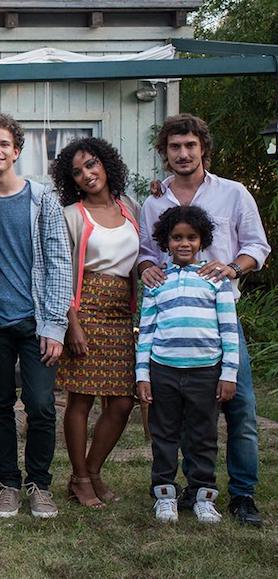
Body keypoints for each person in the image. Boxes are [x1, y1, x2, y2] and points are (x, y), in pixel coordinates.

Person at [137, 114, 270, 527]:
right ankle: (187, 489)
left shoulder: (233, 193)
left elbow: (257, 246)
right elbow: (145, 253)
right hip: (171, 321)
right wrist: (146, 268)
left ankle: (242, 494)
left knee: (241, 409)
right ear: (165, 152)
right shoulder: (154, 202)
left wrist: (232, 267)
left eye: (190, 145)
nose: (183, 153)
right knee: (185, 414)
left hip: (219, 318)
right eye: (175, 147)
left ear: (203, 148)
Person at [0, 112, 71, 519]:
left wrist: (55, 325)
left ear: (16, 150)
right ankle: (8, 484)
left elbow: (60, 262)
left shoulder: (42, 200)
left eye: (3, 144)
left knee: (41, 405)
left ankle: (39, 485)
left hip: (35, 321)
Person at [51, 137, 140, 509]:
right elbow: (61, 271)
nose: (87, 174)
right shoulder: (72, 214)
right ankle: (81, 478)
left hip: (120, 314)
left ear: (106, 164)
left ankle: (91, 471)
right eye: (77, 172)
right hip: (84, 309)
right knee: (81, 398)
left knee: (122, 401)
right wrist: (71, 324)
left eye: (91, 164)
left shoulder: (130, 207)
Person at [137, 205, 238, 524]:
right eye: (177, 237)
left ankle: (202, 495)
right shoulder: (156, 281)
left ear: (202, 240)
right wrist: (142, 375)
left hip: (206, 371)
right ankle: (165, 494)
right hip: (163, 369)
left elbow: (229, 329)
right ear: (166, 242)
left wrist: (229, 373)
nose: (184, 243)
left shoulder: (216, 279)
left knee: (203, 436)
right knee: (164, 434)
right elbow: (146, 330)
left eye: (191, 237)